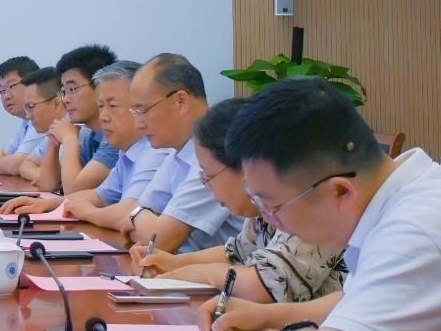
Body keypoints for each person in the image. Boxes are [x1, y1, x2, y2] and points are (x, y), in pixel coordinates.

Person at [199, 78, 441, 331]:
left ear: (340, 191)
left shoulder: (413, 229)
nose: (270, 221)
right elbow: (356, 299)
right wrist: (264, 316)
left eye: (272, 206)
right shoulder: (397, 195)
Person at [131, 97, 345, 302]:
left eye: (209, 176)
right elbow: (236, 254)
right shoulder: (260, 206)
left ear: (245, 166)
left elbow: (265, 286)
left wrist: (187, 273)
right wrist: (171, 263)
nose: (207, 186)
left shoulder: (307, 201)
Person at [3, 60, 170, 231]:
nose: (103, 116)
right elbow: (99, 196)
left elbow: (126, 213)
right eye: (101, 106)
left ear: (139, 107)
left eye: (113, 106)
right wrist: (48, 204)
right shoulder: (127, 151)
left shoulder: (155, 151)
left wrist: (90, 213)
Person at [122, 53, 242, 253]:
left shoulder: (214, 153)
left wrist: (138, 215)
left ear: (181, 101)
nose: (138, 124)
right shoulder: (177, 152)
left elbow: (157, 241)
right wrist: (141, 218)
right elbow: (129, 225)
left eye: (143, 111)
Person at [34, 44, 121, 193]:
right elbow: (48, 185)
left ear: (100, 86)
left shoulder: (115, 138)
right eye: (63, 91)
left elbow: (72, 190)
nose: (65, 99)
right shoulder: (90, 136)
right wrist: (53, 144)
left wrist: (69, 139)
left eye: (72, 89)